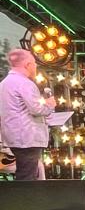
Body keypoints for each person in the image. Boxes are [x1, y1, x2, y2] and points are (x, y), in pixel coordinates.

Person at [0, 48, 55, 181]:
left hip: (12, 135)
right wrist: (49, 104)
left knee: (24, 172)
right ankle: (25, 200)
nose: (36, 66)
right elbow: (36, 109)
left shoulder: (4, 84)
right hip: (28, 137)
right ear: (27, 65)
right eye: (34, 63)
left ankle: (23, 199)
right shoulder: (24, 83)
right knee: (27, 176)